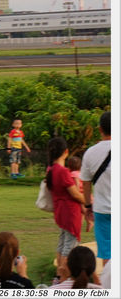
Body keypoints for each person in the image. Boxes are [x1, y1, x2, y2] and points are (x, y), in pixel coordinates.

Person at [47, 136, 87, 283]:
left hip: (60, 212)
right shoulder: (63, 171)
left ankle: (58, 276)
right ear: (66, 151)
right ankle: (64, 279)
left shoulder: (50, 169)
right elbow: (75, 194)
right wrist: (88, 201)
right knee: (69, 247)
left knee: (62, 244)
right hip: (70, 213)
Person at [80, 111, 111, 266]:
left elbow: (85, 183)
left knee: (107, 253)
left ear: (100, 129)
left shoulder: (90, 153)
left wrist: (87, 206)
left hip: (101, 210)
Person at [66, 155, 93, 232]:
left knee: (83, 210)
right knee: (81, 212)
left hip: (81, 194)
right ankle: (82, 225)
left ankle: (89, 221)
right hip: (86, 193)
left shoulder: (74, 173)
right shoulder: (80, 172)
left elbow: (77, 183)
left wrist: (76, 191)